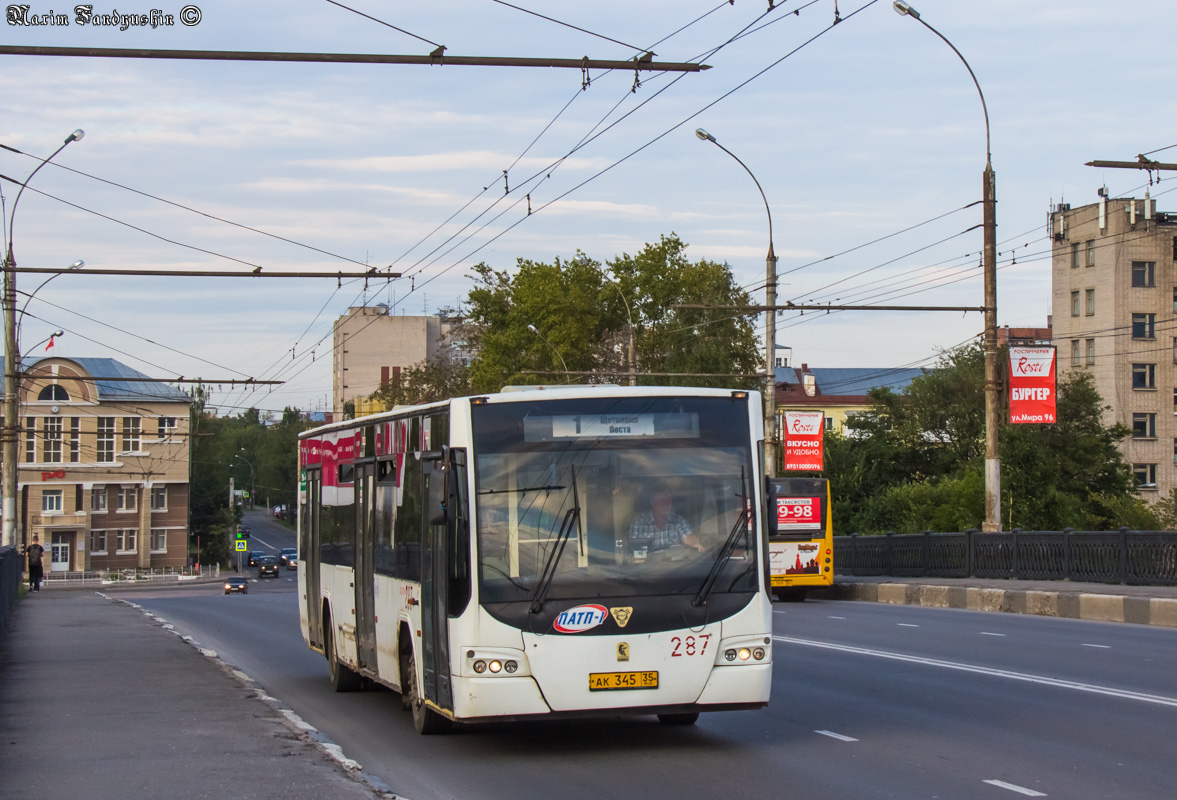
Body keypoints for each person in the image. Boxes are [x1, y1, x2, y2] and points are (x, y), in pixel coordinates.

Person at [628, 489, 704, 556]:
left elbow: (688, 536)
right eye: (660, 500)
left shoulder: (678, 521)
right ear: (652, 502)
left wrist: (696, 545)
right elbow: (634, 551)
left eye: (668, 500)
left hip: (676, 568)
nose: (665, 504)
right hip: (648, 569)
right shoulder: (639, 523)